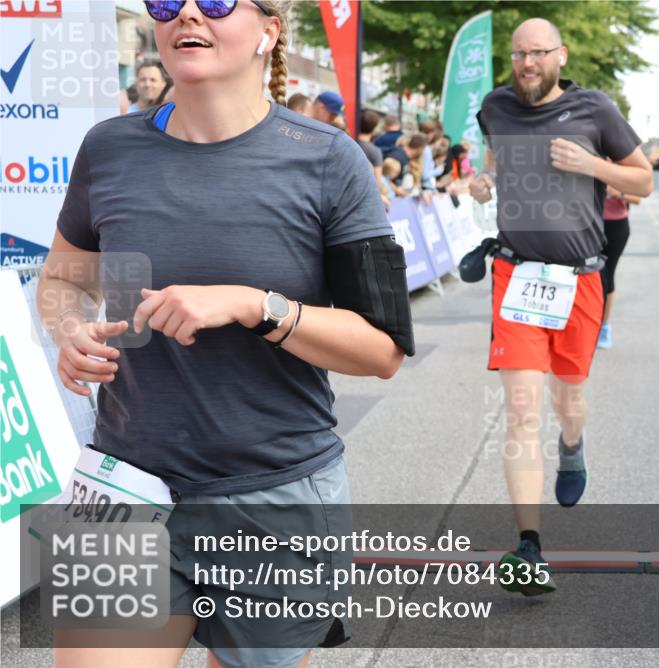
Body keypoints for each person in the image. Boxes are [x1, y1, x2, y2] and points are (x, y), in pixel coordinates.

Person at [37, 1, 413, 666]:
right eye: (165, 3)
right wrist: (70, 327)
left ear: (270, 31)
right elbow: (63, 279)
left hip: (273, 498)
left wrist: (255, 305)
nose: (186, 13)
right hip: (126, 487)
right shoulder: (110, 147)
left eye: (214, 1)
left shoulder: (330, 160)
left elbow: (381, 350)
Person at [469, 17, 652, 596]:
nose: (527, 63)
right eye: (519, 53)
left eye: (538, 53)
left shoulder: (596, 109)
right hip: (515, 276)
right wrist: (482, 181)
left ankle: (572, 446)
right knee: (523, 408)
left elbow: (644, 181)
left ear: (560, 55)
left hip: (580, 282)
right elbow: (495, 163)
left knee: (567, 400)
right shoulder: (495, 106)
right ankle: (529, 547)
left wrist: (592, 166)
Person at [597, 184, 641, 349]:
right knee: (585, 275)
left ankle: (604, 327)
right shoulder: (584, 159)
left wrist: (617, 192)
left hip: (615, 226)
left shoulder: (621, 164)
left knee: (607, 276)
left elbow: (638, 198)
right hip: (588, 225)